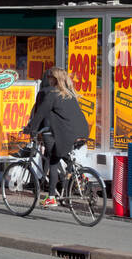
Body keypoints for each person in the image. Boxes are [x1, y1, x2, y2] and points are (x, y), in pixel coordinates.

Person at [25, 67, 89, 208]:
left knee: (53, 162)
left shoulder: (52, 95)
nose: (48, 79)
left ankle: (52, 198)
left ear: (54, 79)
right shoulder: (69, 94)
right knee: (63, 156)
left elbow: (40, 115)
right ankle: (74, 179)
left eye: (50, 77)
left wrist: (29, 129)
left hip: (65, 134)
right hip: (82, 133)